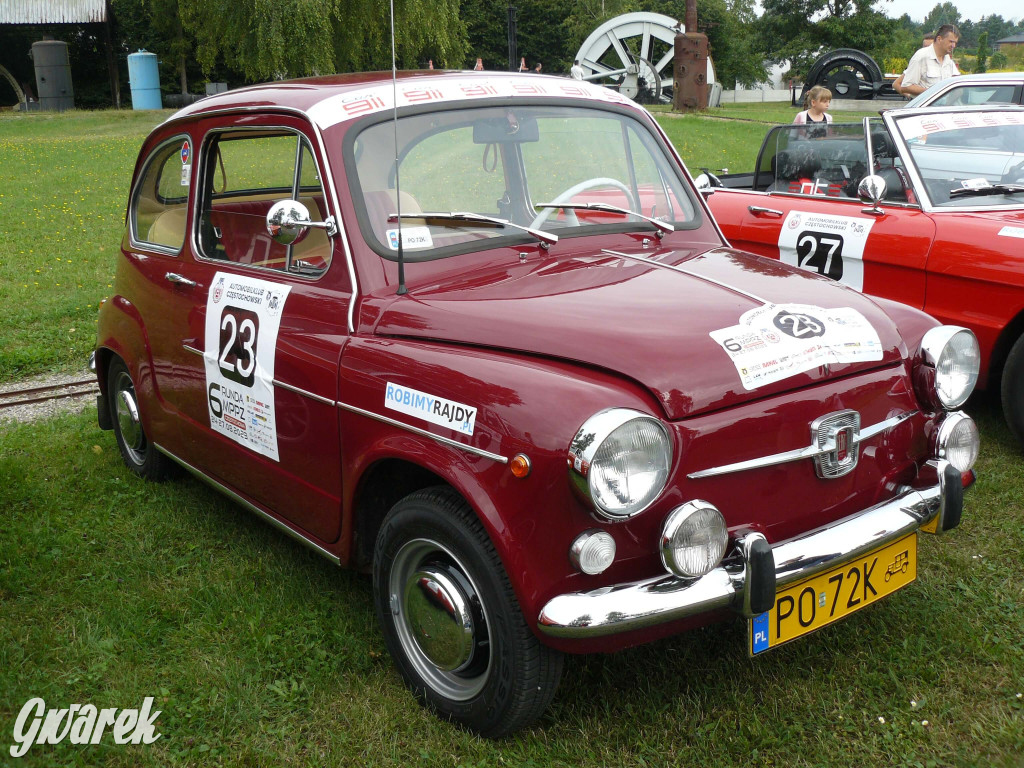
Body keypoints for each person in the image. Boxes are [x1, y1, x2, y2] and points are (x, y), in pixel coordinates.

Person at [898, 24, 960, 97]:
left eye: (955, 42)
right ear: (939, 39)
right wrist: (932, 92)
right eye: (951, 41)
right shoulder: (921, 56)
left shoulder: (949, 60)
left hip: (944, 107)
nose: (953, 46)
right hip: (924, 107)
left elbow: (957, 88)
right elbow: (905, 87)